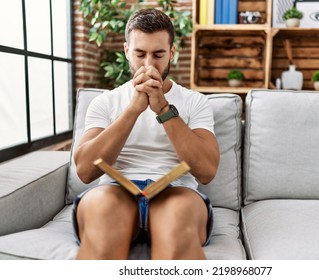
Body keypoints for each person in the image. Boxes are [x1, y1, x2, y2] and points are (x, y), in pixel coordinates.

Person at [72, 8, 220, 260]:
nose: (149, 64)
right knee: (104, 224)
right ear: (127, 51)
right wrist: (133, 109)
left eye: (159, 54)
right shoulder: (104, 103)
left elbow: (207, 171)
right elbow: (85, 171)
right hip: (114, 190)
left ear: (172, 53)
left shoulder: (195, 102)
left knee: (177, 226)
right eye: (140, 54)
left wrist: (163, 109)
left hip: (175, 191)